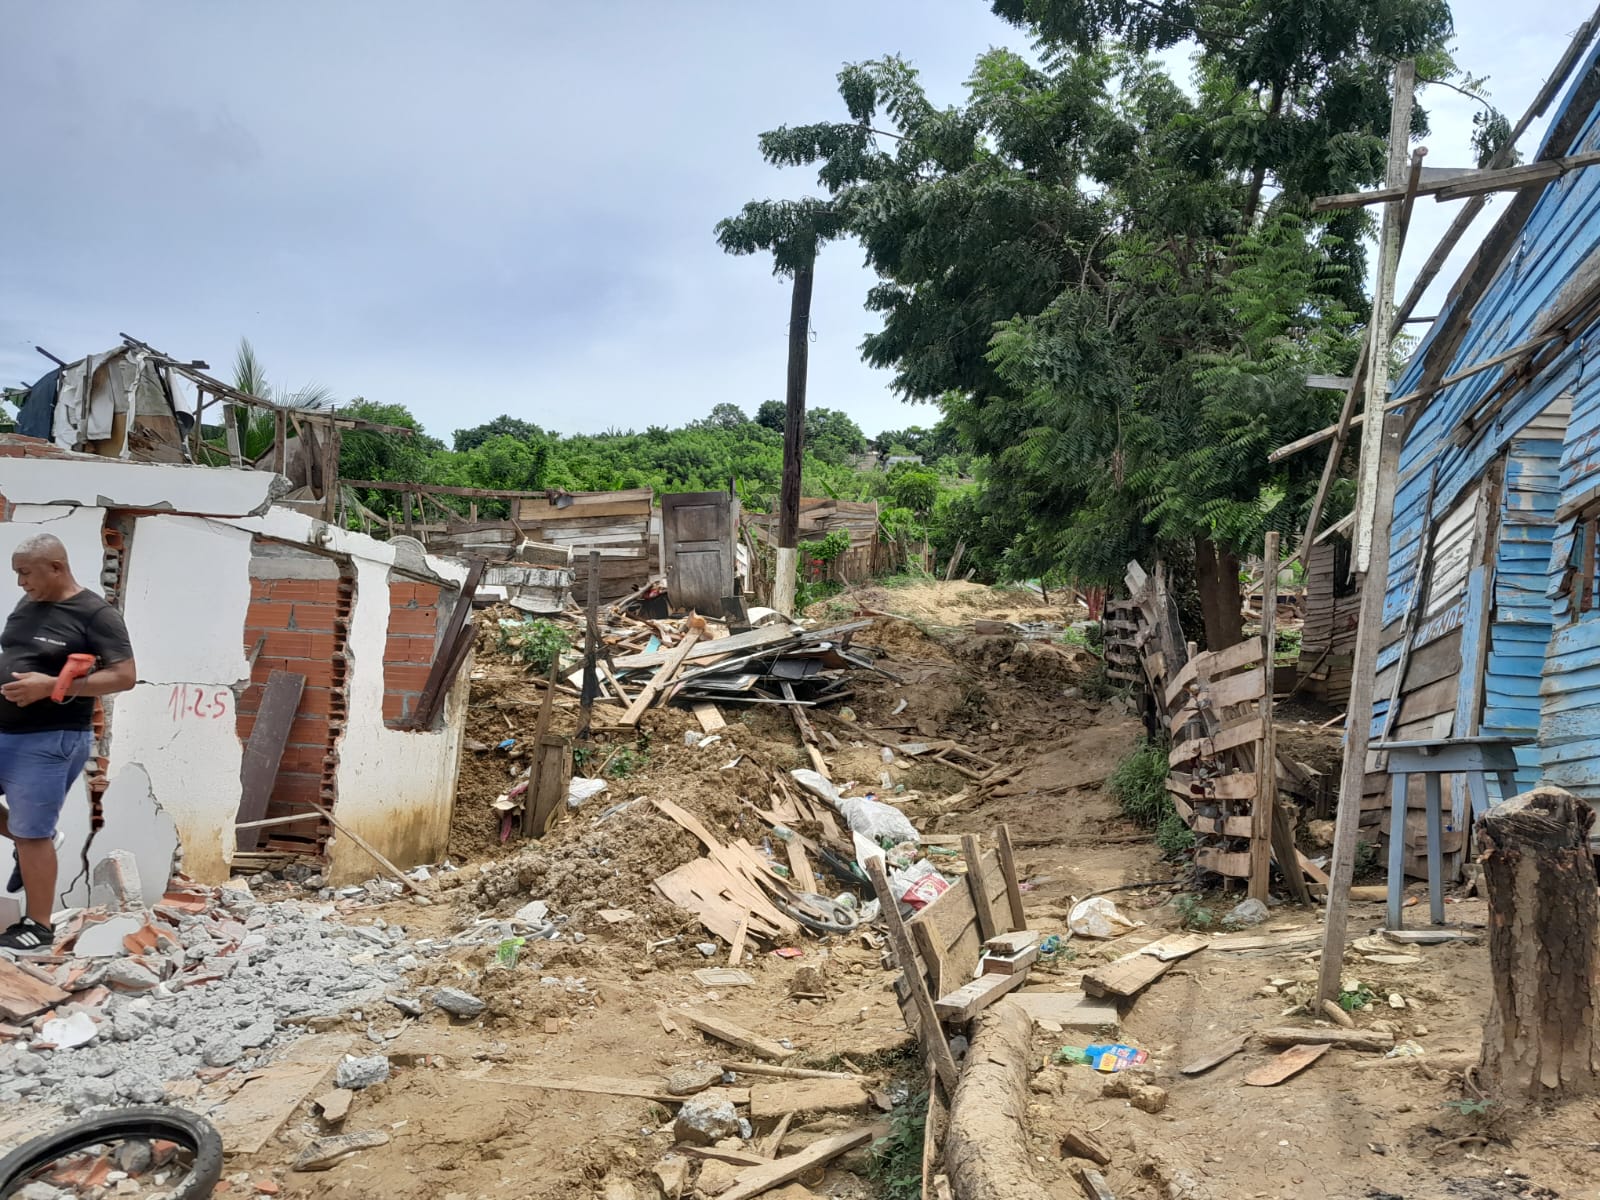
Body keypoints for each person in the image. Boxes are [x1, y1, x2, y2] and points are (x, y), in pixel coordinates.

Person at [0, 534, 135, 952]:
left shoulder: (96, 614)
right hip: (5, 730)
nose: (20, 582)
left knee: (32, 833)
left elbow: (124, 676)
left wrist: (52, 687)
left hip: (48, 738)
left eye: (25, 572)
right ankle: (30, 839)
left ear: (56, 567)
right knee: (28, 832)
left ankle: (38, 928)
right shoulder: (29, 605)